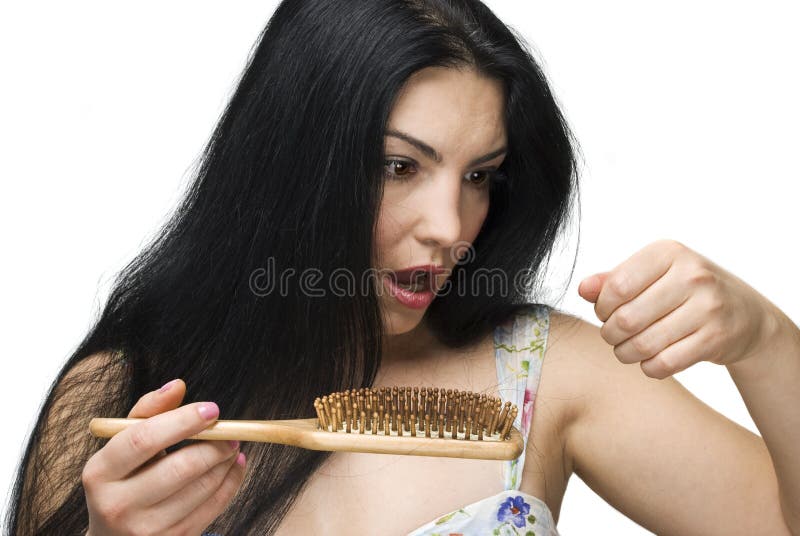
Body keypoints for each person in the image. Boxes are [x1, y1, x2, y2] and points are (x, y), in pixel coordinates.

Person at [6, 0, 800, 534]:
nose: (451, 228)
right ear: (293, 162)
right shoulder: (116, 400)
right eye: (398, 167)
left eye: (480, 175)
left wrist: (765, 340)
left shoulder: (546, 374)